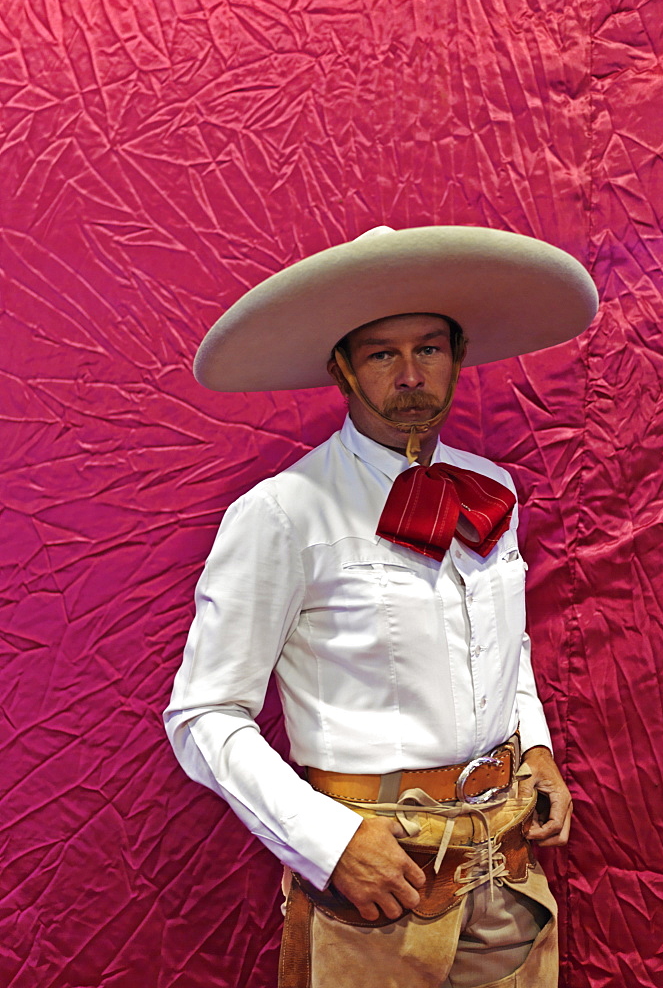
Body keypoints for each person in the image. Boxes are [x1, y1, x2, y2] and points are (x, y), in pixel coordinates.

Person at [165, 225, 598, 988]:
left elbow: (504, 643)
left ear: (457, 358)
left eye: (427, 349)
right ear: (341, 369)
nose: (409, 375)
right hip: (382, 880)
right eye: (381, 354)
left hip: (507, 865)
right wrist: (328, 844)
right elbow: (203, 715)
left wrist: (536, 749)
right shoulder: (283, 513)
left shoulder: (489, 488)